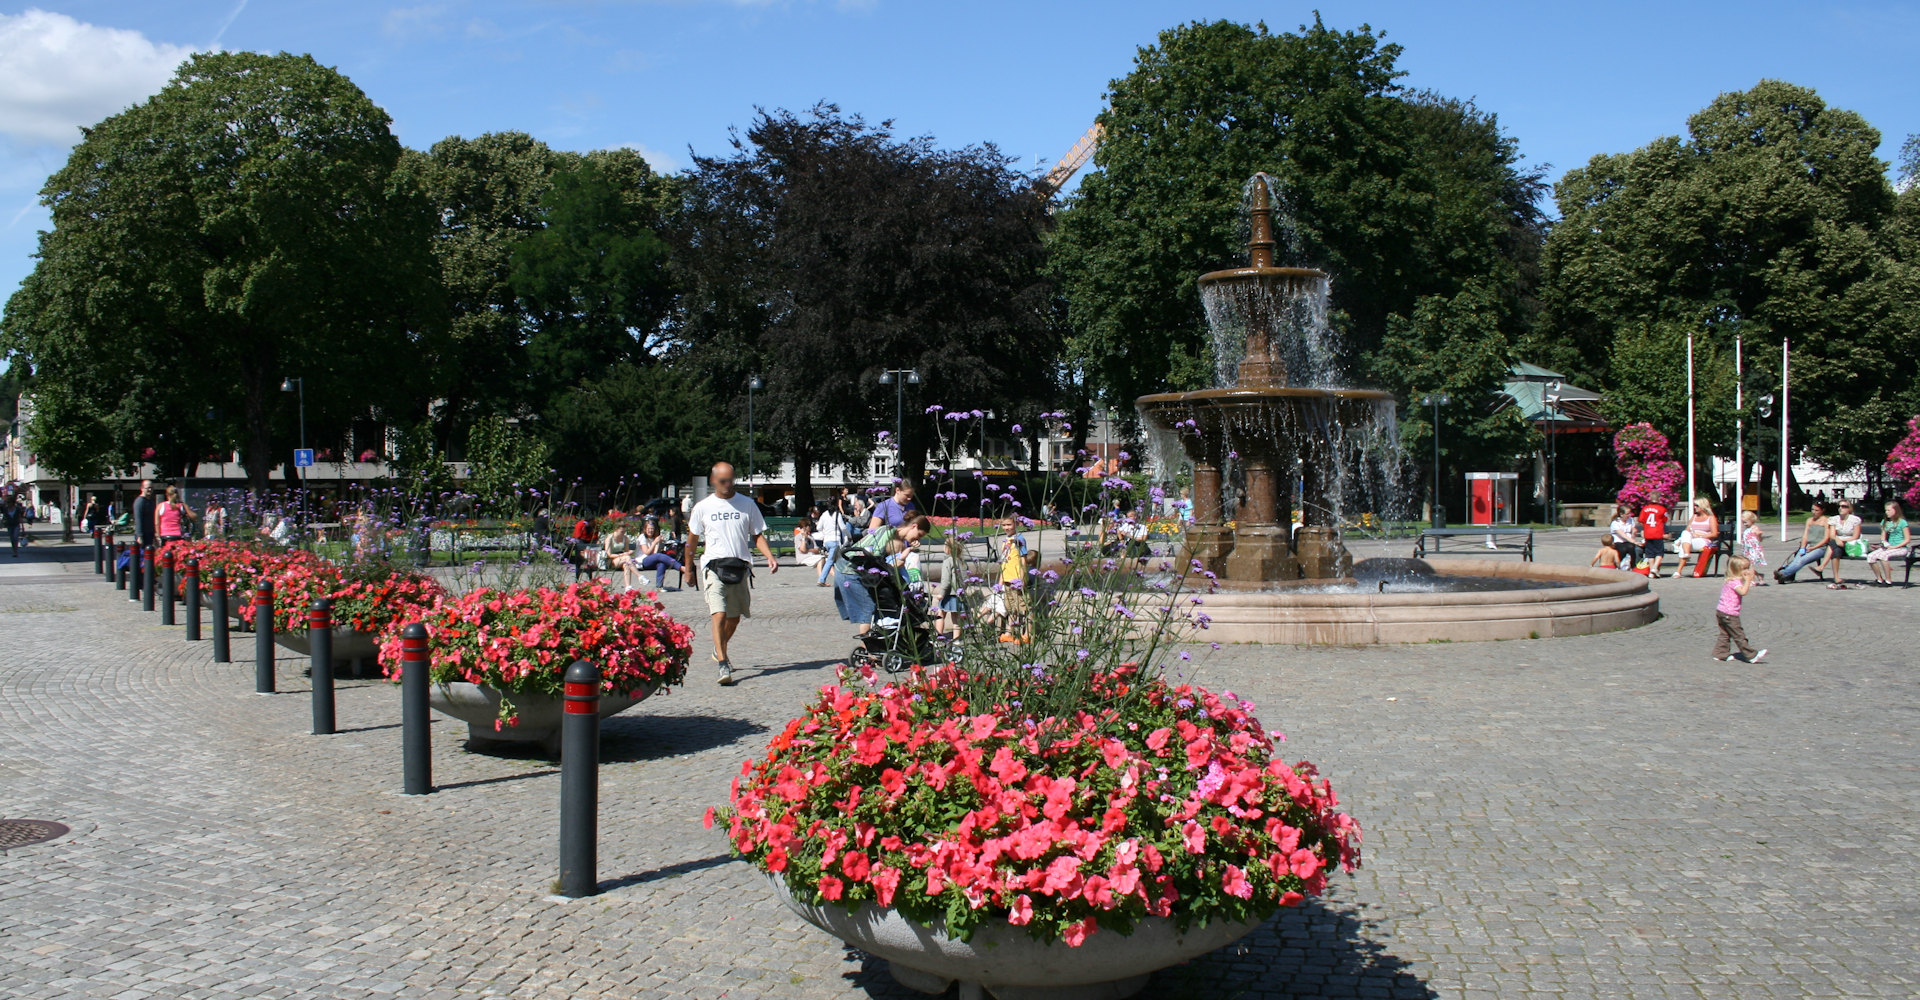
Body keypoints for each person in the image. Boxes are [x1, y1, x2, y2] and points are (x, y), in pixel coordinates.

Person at [686, 462, 778, 685]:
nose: (727, 485)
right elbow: (692, 540)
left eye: (731, 480)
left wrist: (769, 556)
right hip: (713, 566)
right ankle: (723, 663)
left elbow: (757, 534)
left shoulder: (747, 504)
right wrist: (688, 568)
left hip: (739, 567)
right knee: (719, 613)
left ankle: (719, 648)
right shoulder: (703, 507)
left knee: (734, 618)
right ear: (713, 481)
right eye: (722, 481)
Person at [832, 511, 932, 636]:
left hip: (850, 568)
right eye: (919, 535)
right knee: (867, 611)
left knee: (872, 609)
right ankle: (868, 647)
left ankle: (870, 645)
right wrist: (897, 564)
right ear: (914, 526)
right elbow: (874, 557)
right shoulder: (888, 533)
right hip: (850, 570)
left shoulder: (893, 533)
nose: (918, 539)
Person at [1712, 555, 1766, 663]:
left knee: (1725, 634)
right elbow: (1743, 592)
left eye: (1748, 568)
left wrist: (1748, 578)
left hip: (1721, 611)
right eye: (1744, 568)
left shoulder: (1730, 580)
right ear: (1737, 570)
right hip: (1730, 614)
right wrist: (1748, 580)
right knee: (1739, 635)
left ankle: (1720, 653)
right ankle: (1751, 655)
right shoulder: (1735, 582)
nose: (1747, 571)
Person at [1774, 502, 1833, 584]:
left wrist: (1813, 548)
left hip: (1821, 548)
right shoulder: (1809, 520)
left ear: (1823, 510)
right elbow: (1805, 536)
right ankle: (1784, 575)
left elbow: (1826, 538)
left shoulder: (1826, 521)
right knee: (1796, 560)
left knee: (1802, 560)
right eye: (1812, 509)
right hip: (1809, 546)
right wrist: (1802, 547)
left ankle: (1783, 573)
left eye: (1817, 510)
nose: (1814, 512)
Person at [996, 515, 1031, 643]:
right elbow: (1004, 562)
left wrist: (1022, 578)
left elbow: (1023, 560)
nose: (1006, 528)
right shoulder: (1005, 540)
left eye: (1009, 525)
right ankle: (1009, 632)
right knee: (1010, 607)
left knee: (1022, 607)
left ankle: (1026, 634)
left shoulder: (1019, 539)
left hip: (1016, 579)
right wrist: (1000, 581)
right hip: (1007, 578)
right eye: (1004, 525)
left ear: (1016, 524)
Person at [1669, 497, 1718, 578]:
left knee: (1683, 545)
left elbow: (1714, 534)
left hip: (1704, 540)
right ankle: (1686, 554)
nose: (1695, 507)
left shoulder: (1710, 518)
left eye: (1697, 505)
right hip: (1691, 539)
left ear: (1702, 506)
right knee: (1685, 533)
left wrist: (1700, 535)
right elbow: (1687, 530)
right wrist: (1692, 534)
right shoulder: (1694, 517)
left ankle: (1678, 571)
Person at [1864, 501, 1910, 586]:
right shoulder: (1885, 522)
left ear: (1895, 510)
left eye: (1889, 510)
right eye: (1886, 510)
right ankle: (1879, 579)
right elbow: (1883, 536)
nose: (1886, 512)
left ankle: (1888, 580)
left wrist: (1895, 547)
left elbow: (1907, 539)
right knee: (1870, 556)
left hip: (1901, 548)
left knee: (1883, 556)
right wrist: (1885, 543)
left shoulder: (1902, 522)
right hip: (1889, 547)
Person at [637, 518, 684, 592]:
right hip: (642, 561)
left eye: (652, 529)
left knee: (661, 563)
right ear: (645, 529)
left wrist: (658, 544)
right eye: (649, 529)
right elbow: (647, 552)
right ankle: (680, 567)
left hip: (651, 560)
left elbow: (655, 554)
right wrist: (655, 543)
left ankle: (659, 586)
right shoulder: (642, 537)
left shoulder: (654, 538)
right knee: (659, 556)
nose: (650, 530)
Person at [1824, 500, 1862, 589]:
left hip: (1850, 544)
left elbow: (1855, 536)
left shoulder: (1855, 520)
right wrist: (1838, 540)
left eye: (1844, 506)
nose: (1841, 508)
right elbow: (1832, 535)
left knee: (1832, 544)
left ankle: (1822, 566)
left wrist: (1842, 540)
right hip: (1837, 544)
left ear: (1849, 509)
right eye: (1839, 506)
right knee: (1836, 549)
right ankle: (1836, 577)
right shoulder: (1834, 519)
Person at [936, 532, 966, 640]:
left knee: (940, 614)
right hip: (959, 594)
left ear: (948, 549)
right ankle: (956, 640)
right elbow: (966, 578)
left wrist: (941, 593)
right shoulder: (962, 562)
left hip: (948, 594)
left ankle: (939, 636)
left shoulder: (948, 561)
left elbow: (946, 580)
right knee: (956, 618)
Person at [813, 502, 845, 587]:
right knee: (831, 561)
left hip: (827, 541)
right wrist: (849, 536)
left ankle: (840, 579)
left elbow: (818, 527)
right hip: (835, 540)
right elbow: (843, 527)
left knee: (836, 560)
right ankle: (821, 580)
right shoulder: (837, 515)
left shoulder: (824, 515)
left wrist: (825, 531)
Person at [1638, 499, 1672, 578]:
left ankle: (1651, 572)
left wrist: (1645, 527)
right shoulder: (1662, 509)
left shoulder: (1645, 508)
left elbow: (1641, 520)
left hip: (1648, 533)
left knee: (1650, 553)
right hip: (1657, 532)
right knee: (1659, 553)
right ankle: (1655, 567)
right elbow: (1665, 519)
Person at [604, 521, 637, 588]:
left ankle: (628, 586)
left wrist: (629, 552)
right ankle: (639, 576)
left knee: (626, 565)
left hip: (622, 558)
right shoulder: (609, 538)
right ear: (616, 530)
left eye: (624, 531)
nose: (623, 533)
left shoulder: (625, 538)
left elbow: (626, 551)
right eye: (622, 531)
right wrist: (622, 555)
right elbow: (609, 554)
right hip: (611, 560)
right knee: (627, 558)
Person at [1739, 510, 1768, 584]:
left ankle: (1752, 580)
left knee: (1751, 565)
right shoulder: (1747, 529)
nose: (1744, 524)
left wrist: (1759, 534)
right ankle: (1759, 575)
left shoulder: (1754, 528)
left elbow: (1760, 539)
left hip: (1753, 549)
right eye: (1743, 522)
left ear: (1751, 520)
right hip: (1747, 549)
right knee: (1747, 566)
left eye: (1746, 522)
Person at [132, 479, 157, 551]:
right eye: (148, 488)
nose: (150, 490)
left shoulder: (150, 501)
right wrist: (139, 536)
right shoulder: (139, 502)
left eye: (151, 488)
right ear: (142, 488)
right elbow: (138, 519)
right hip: (143, 534)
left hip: (150, 533)